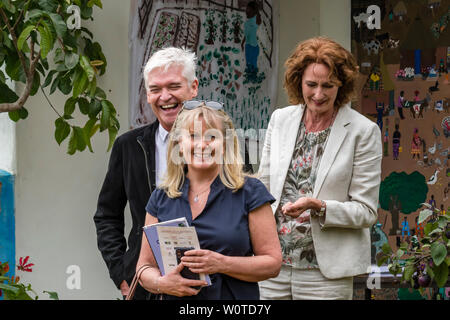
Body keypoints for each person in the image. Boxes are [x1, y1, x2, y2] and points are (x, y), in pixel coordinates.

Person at [257, 37, 382, 300]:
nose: (318, 94)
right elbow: (264, 188)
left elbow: (367, 211)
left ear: (342, 85)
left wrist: (320, 206)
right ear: (298, 82)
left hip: (324, 274)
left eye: (329, 85)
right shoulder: (280, 120)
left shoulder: (363, 131)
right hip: (272, 264)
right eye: (311, 84)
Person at [135, 102, 282, 299]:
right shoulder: (162, 197)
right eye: (193, 136)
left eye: (211, 136)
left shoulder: (250, 192)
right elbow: (144, 267)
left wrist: (222, 263)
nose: (202, 145)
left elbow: (272, 264)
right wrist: (162, 283)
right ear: (179, 143)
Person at [93, 47, 200, 299]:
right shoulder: (128, 146)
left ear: (193, 87)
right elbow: (107, 215)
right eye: (155, 89)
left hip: (207, 283)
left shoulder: (222, 144)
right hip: (144, 283)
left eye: (174, 86)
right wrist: (121, 271)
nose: (165, 97)